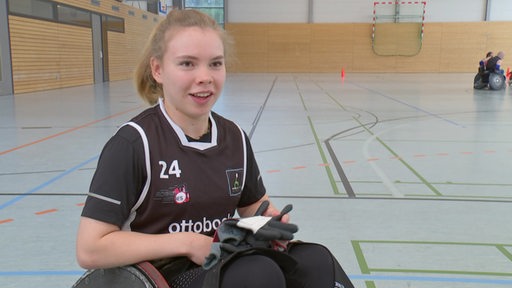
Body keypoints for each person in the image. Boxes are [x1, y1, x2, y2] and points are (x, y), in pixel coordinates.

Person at [76, 9, 353, 288]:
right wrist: (188, 243)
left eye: (215, 64)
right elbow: (90, 248)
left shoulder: (234, 137)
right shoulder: (134, 144)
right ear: (158, 69)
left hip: (221, 261)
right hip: (159, 275)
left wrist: (268, 221)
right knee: (257, 275)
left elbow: (253, 205)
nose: (205, 77)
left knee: (315, 261)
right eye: (187, 64)